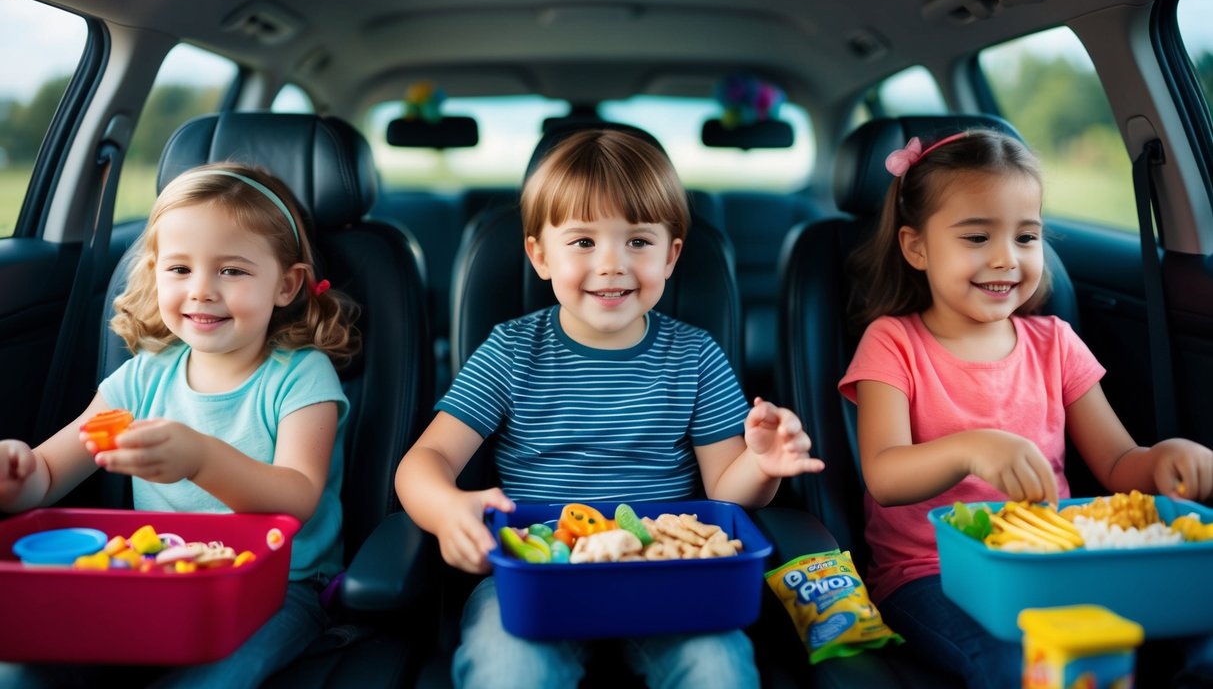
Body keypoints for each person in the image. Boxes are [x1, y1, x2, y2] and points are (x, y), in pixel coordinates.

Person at [395, 128, 825, 688]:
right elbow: (424, 460)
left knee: (717, 667)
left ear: (671, 256)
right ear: (539, 255)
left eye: (638, 242)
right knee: (506, 668)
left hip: (669, 571)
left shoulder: (695, 355)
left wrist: (762, 465)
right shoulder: (510, 350)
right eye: (583, 243)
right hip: (540, 571)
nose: (612, 265)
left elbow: (727, 494)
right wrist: (446, 507)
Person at [838, 129, 1213, 689]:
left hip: (1057, 561)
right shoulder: (892, 343)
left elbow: (1117, 464)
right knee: (1026, 666)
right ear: (917, 247)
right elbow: (885, 475)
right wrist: (972, 447)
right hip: (932, 575)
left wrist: (1164, 461)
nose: (1005, 259)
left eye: (1026, 236)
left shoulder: (1055, 342)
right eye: (976, 237)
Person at [0, 162, 359, 688]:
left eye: (232, 270)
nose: (202, 291)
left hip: (280, 586)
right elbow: (50, 474)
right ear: (153, 271)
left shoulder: (301, 377)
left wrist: (200, 459)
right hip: (153, 576)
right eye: (179, 269)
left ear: (286, 285)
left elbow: (297, 497)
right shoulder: (140, 380)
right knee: (23, 671)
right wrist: (18, 473)